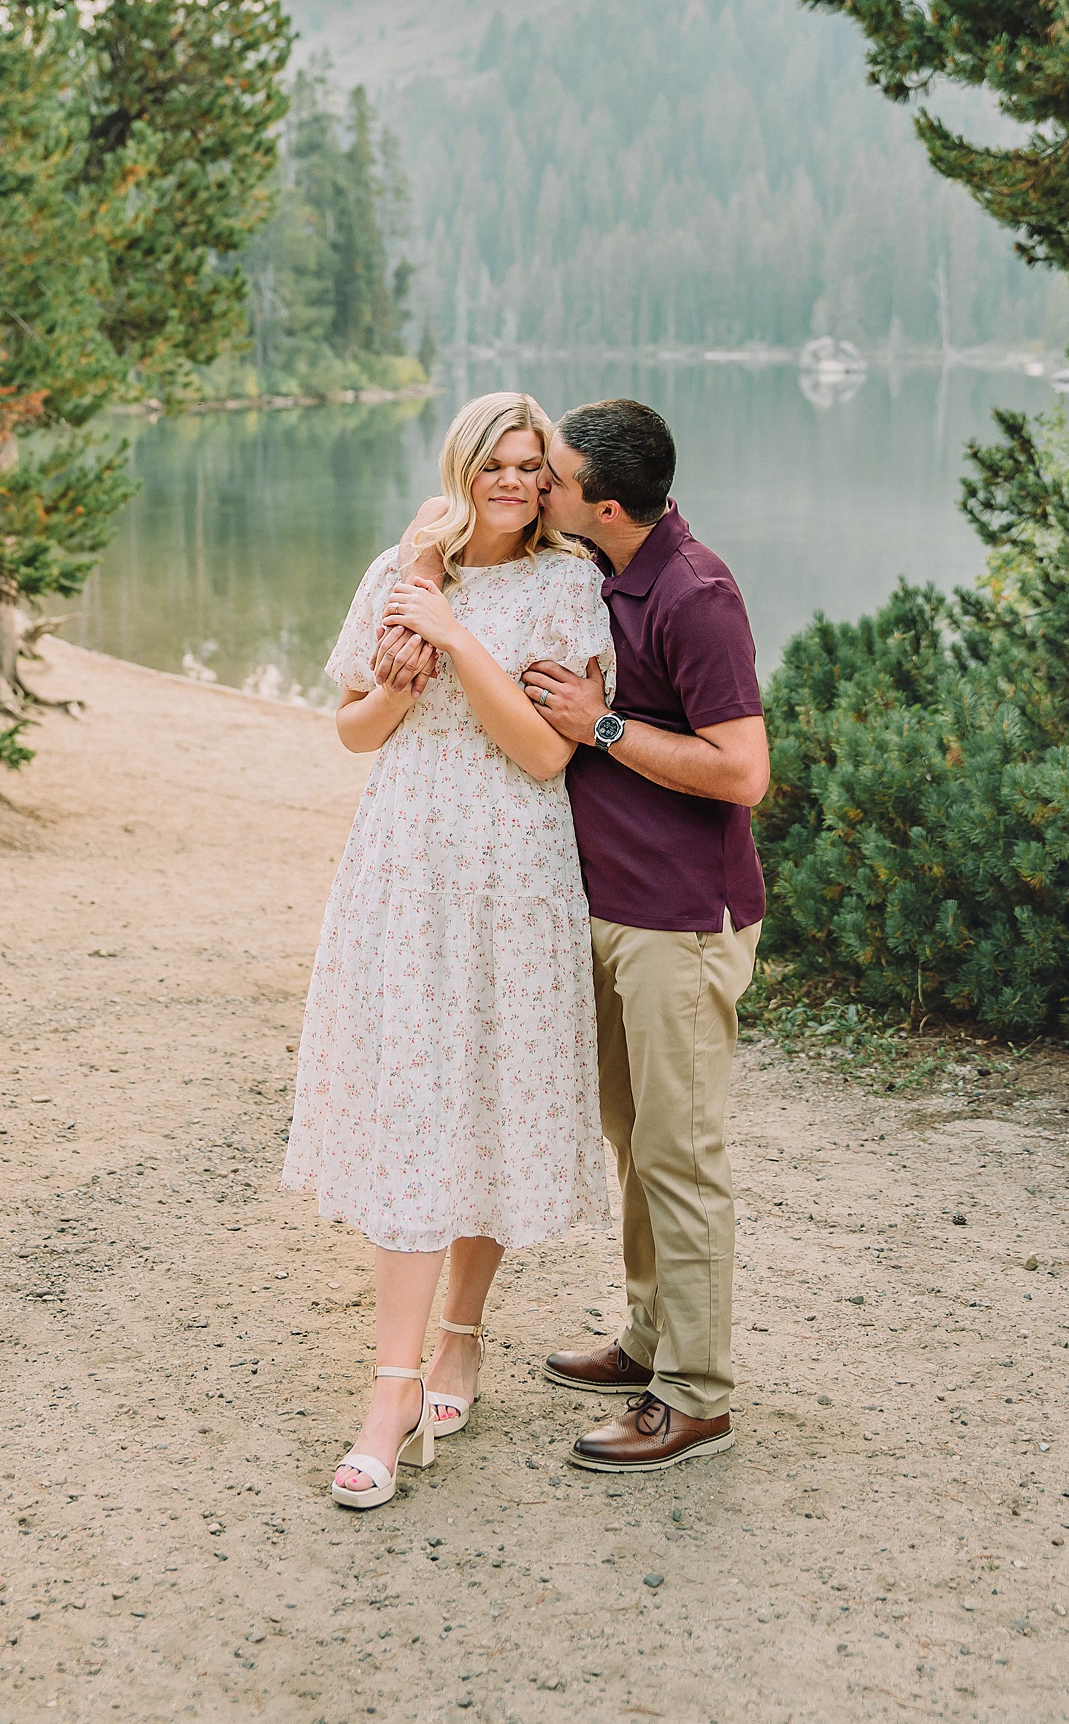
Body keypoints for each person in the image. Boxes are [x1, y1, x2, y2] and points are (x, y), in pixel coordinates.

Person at [382, 397, 768, 1474]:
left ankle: (694, 1397)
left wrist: (599, 726)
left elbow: (744, 771)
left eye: (549, 475)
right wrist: (429, 553)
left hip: (680, 916)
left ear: (603, 504)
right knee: (634, 1137)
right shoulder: (600, 565)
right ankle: (649, 1338)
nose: (533, 485)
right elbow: (444, 526)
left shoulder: (695, 596)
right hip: (605, 904)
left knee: (680, 1154)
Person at [283, 390, 615, 1510]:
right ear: (462, 467)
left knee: (486, 1099)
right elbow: (352, 730)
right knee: (416, 1105)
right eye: (494, 464)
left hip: (514, 871)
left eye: (530, 467)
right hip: (405, 864)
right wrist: (395, 682)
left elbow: (543, 756)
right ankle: (390, 1394)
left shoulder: (567, 587)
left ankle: (459, 1339)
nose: (513, 483)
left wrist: (457, 636)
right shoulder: (399, 568)